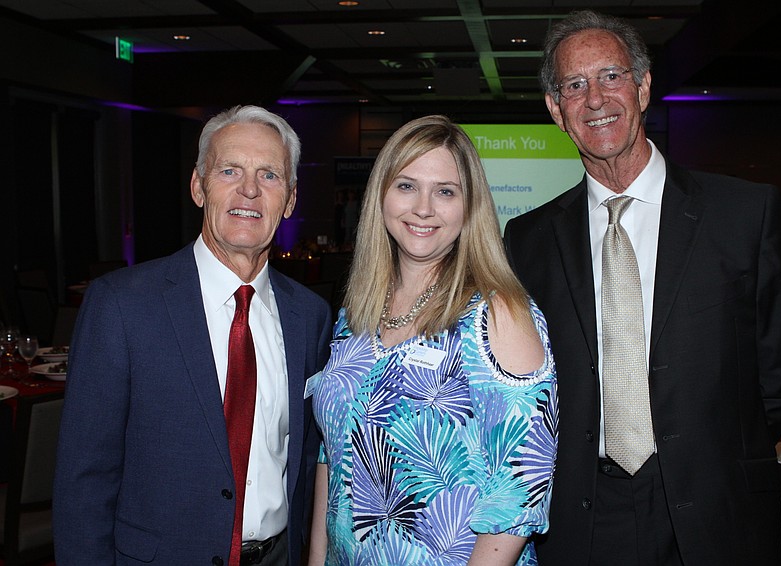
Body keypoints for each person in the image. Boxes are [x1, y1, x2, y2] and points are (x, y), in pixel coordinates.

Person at [503, 10, 781, 566]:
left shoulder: (744, 215)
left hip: (717, 508)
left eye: (611, 76)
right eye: (574, 85)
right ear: (556, 110)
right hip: (580, 515)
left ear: (643, 88)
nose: (595, 98)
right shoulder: (526, 240)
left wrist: (711, 447)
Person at [53, 105, 332, 566]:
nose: (249, 190)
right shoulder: (121, 306)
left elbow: (304, 459)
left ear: (290, 199)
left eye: (269, 175)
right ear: (199, 186)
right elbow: (84, 480)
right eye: (230, 170)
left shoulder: (310, 316)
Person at [307, 115, 558, 565]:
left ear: (469, 207)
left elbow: (521, 489)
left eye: (445, 191)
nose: (423, 208)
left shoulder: (497, 313)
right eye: (406, 186)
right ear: (380, 194)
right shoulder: (356, 312)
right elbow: (333, 453)